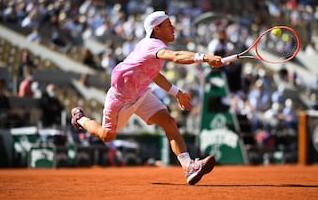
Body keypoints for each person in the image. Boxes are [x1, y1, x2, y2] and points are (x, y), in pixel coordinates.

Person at [71, 11, 224, 185]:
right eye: (168, 25)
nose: (173, 28)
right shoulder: (152, 44)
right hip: (121, 100)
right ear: (156, 29)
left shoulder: (153, 47)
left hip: (141, 94)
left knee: (169, 123)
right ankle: (81, 119)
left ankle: (189, 166)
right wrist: (205, 57)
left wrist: (177, 93)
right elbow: (177, 56)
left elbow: (154, 75)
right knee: (106, 136)